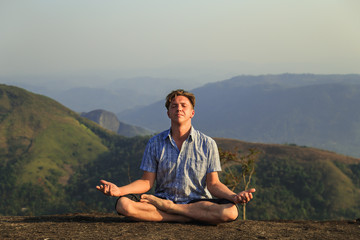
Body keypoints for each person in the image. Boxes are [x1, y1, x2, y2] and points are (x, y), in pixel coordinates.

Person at [96, 89, 255, 224]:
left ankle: (173, 211)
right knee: (123, 205)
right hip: (160, 201)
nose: (179, 108)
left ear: (192, 112)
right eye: (174, 106)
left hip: (198, 203)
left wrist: (234, 196)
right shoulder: (155, 143)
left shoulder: (207, 144)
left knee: (231, 212)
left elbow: (213, 184)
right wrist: (119, 190)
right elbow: (146, 182)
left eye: (183, 105)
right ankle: (186, 217)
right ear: (168, 113)